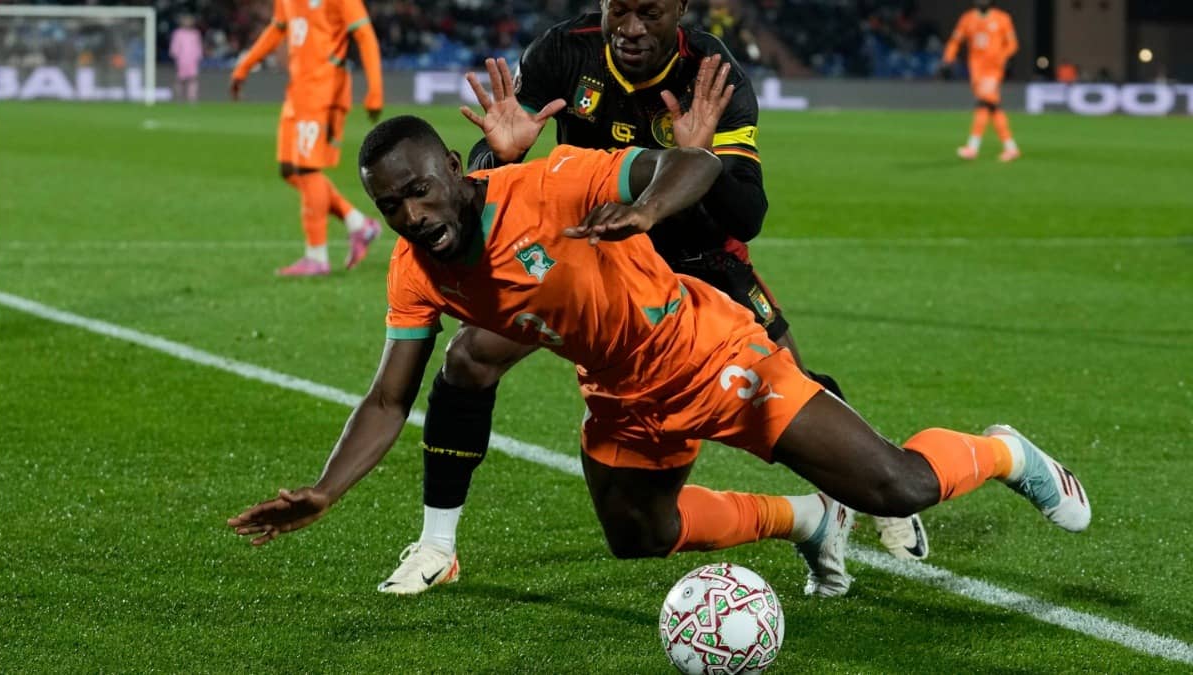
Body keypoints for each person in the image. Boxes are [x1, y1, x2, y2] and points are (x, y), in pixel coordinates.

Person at [228, 116, 1092, 603]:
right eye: (389, 205)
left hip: (712, 356)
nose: (411, 214)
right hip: (621, 397)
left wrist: (646, 212)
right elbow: (389, 398)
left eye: (420, 189)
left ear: (457, 170)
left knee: (898, 485)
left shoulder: (552, 184)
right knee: (639, 538)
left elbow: (692, 161)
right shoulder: (415, 270)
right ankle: (804, 519)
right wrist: (325, 491)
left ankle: (1007, 451)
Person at [391, 0, 928, 597]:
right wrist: (504, 156)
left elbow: (747, 216)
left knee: (793, 380)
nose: (630, 29)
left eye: (648, 12)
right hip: (598, 255)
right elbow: (484, 177)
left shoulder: (711, 70)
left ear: (680, 10)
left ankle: (879, 492)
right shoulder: (559, 51)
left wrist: (705, 157)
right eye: (619, 11)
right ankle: (437, 545)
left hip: (697, 255)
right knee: (468, 360)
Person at [230, 0, 385, 276]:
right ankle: (359, 224)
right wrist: (246, 65)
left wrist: (375, 89)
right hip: (298, 90)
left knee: (307, 169)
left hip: (324, 89)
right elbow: (277, 29)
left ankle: (316, 257)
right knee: (289, 170)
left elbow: (364, 34)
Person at [942, 0, 1020, 162]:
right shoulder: (967, 19)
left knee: (986, 103)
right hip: (976, 69)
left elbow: (1012, 44)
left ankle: (974, 147)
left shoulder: (1002, 18)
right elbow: (956, 40)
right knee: (989, 107)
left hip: (993, 69)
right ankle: (1010, 148)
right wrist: (948, 58)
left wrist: (1002, 57)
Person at [169, 14, 203, 103]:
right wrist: (175, 56)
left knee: (193, 79)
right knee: (180, 79)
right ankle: (179, 98)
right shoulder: (178, 33)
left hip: (192, 60)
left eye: (189, 20)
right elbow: (174, 47)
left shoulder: (195, 33)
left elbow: (198, 46)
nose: (188, 22)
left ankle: (192, 98)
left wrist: (198, 56)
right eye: (186, 20)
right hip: (182, 59)